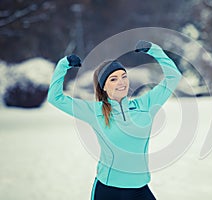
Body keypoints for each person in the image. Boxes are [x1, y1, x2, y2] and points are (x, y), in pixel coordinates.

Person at [47, 40, 182, 200]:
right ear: (103, 86)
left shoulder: (145, 104)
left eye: (124, 76)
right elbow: (55, 98)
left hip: (139, 189)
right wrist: (64, 65)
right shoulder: (94, 111)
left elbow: (174, 77)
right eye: (113, 79)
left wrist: (154, 50)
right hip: (108, 190)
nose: (121, 82)